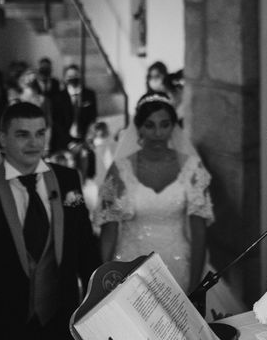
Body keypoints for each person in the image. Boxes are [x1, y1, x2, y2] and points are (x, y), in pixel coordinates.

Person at [0, 102, 100, 339]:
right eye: (23, 135)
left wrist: (95, 305)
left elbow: (85, 246)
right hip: (0, 322)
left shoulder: (68, 180)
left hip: (61, 318)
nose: (34, 143)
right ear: (2, 138)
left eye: (40, 133)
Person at [95, 93, 244, 319]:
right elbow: (110, 229)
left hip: (180, 266)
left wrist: (195, 284)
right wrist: (101, 281)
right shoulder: (120, 170)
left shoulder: (193, 168)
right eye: (149, 125)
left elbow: (199, 230)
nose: (157, 133)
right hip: (129, 266)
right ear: (139, 128)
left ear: (174, 127)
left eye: (165, 125)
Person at [50, 64, 98, 151]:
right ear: (65, 78)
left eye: (76, 75)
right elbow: (56, 123)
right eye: (70, 76)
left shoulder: (89, 94)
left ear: (80, 77)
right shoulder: (58, 97)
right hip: (64, 142)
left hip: (84, 140)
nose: (73, 78)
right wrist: (70, 143)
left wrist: (88, 139)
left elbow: (93, 117)